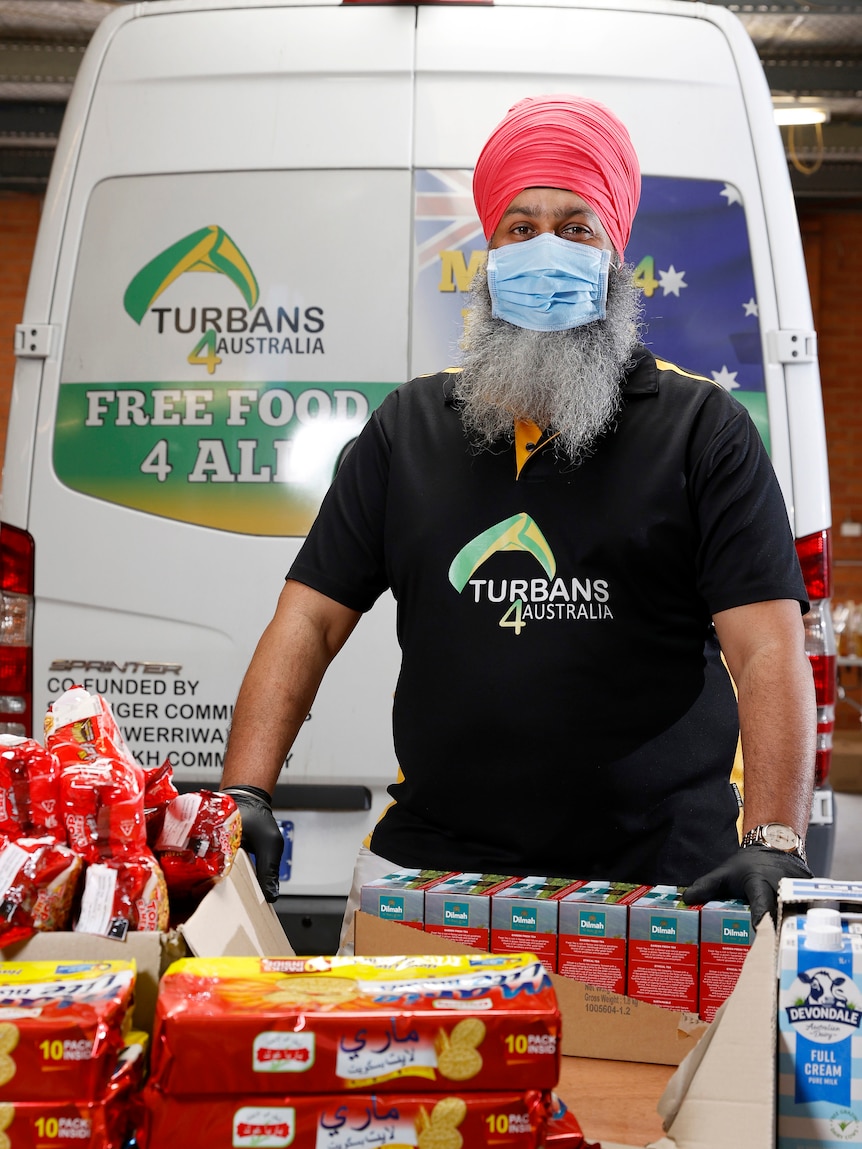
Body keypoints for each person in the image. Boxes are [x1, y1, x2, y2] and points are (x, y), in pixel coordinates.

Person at [220, 93, 816, 935]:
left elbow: (766, 647)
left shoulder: (699, 430)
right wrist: (245, 790)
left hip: (659, 884)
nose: (546, 249)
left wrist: (776, 837)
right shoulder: (409, 429)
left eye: (576, 227)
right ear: (486, 254)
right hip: (435, 874)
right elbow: (308, 621)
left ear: (616, 255)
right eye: (520, 226)